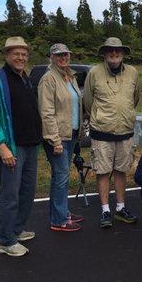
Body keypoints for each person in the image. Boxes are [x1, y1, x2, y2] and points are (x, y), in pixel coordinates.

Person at [0, 37, 42, 256]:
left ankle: (15, 229)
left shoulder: (25, 78)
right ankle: (4, 241)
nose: (21, 57)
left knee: (27, 192)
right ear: (6, 55)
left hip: (30, 146)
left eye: (24, 54)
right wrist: (1, 146)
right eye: (16, 53)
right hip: (11, 148)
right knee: (10, 195)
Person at [83, 37, 140, 228]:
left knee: (121, 170)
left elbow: (135, 98)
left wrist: (125, 114)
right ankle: (105, 210)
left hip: (125, 131)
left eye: (118, 51)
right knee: (103, 171)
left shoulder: (132, 72)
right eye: (110, 51)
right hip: (101, 132)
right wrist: (101, 117)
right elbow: (89, 101)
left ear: (123, 53)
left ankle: (120, 208)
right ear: (104, 53)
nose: (114, 54)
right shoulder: (94, 72)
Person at [38, 43, 85, 232]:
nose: (63, 58)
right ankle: (58, 221)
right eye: (59, 55)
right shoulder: (48, 79)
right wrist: (54, 140)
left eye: (66, 54)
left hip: (70, 133)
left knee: (61, 177)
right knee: (61, 177)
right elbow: (46, 112)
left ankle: (62, 212)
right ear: (52, 57)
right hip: (57, 137)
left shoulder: (70, 76)